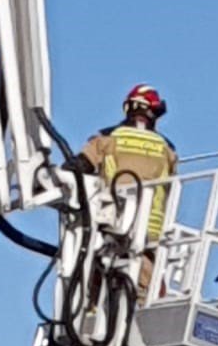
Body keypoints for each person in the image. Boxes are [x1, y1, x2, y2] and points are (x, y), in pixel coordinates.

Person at [73, 85, 177, 247]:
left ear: (129, 107)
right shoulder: (168, 150)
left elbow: (79, 167)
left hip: (110, 227)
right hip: (151, 239)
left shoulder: (107, 138)